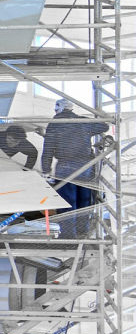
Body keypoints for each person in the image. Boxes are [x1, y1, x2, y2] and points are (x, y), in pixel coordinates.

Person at [41, 98, 108, 238]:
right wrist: (97, 118)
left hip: (65, 167)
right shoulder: (82, 121)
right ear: (71, 109)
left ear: (58, 109)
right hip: (85, 166)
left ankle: (69, 236)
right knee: (84, 200)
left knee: (67, 202)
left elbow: (48, 149)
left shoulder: (54, 124)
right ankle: (83, 232)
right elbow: (104, 126)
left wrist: (46, 170)